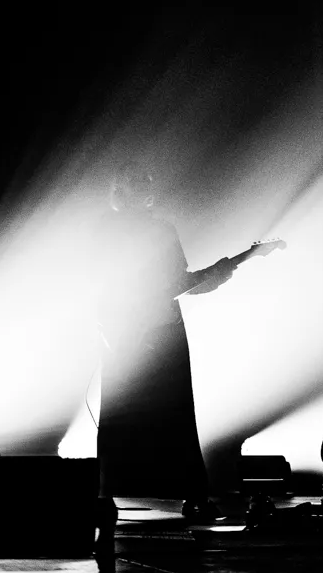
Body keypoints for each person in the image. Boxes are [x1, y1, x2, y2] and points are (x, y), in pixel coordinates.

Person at [87, 162, 236, 519]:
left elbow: (178, 284)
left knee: (161, 414)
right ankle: (113, 496)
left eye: (146, 182)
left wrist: (217, 276)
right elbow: (100, 282)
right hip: (137, 333)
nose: (144, 188)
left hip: (146, 333)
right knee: (148, 414)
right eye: (137, 183)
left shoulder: (155, 229)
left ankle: (177, 496)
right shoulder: (116, 230)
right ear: (122, 190)